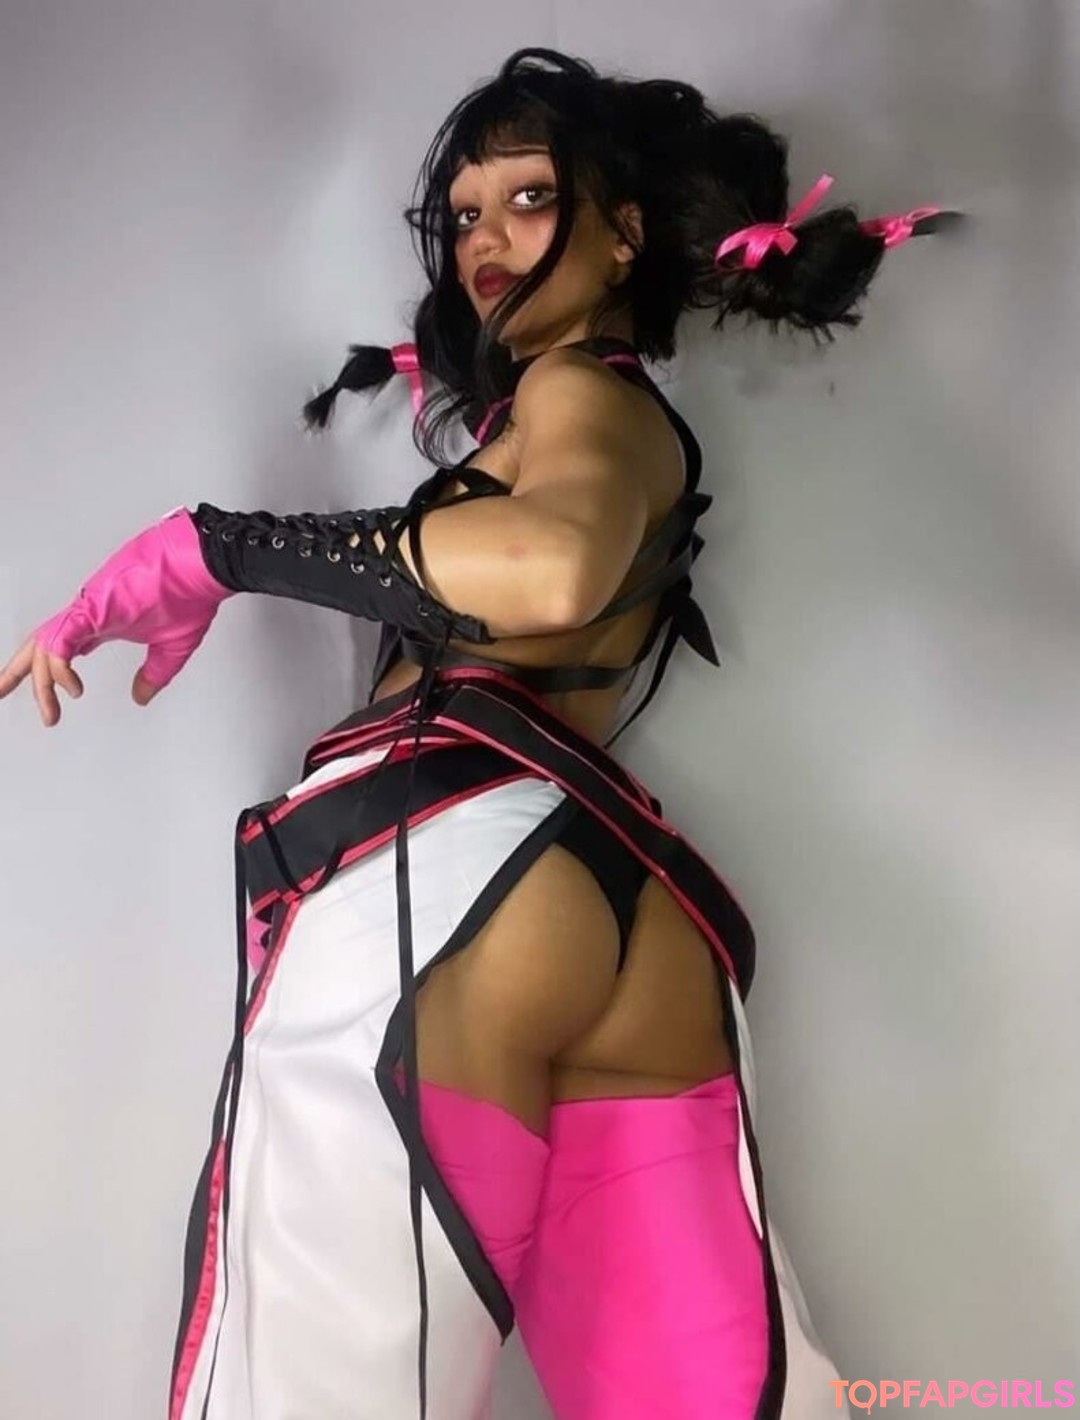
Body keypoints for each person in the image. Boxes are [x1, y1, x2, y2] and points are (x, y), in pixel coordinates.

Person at [0, 47, 950, 1420]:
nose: (485, 241)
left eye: (528, 197)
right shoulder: (599, 414)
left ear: (624, 231)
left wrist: (215, 550)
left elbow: (554, 570)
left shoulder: (578, 393)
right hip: (627, 921)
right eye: (461, 215)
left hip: (446, 884)